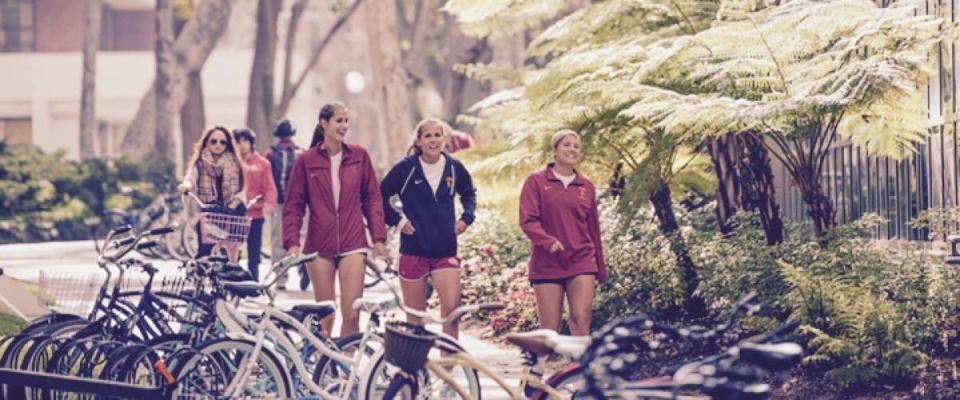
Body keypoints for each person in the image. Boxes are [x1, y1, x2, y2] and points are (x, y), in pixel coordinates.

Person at [283, 102, 392, 337]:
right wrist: (292, 242)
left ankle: (346, 372)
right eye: (339, 120)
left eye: (346, 121)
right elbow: (294, 204)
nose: (344, 126)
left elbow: (373, 200)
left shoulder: (359, 156)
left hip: (354, 242)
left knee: (352, 313)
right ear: (324, 123)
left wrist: (379, 238)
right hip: (319, 246)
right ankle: (324, 370)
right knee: (326, 317)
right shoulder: (306, 160)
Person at [380, 117, 477, 340]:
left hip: (445, 250)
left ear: (445, 139)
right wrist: (398, 221)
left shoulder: (454, 167)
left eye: (437, 135)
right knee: (415, 320)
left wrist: (466, 218)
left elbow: (469, 193)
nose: (433, 140)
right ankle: (416, 372)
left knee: (452, 314)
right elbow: (378, 196)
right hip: (413, 250)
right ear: (419, 141)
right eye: (428, 136)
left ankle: (448, 369)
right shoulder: (406, 168)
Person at [519, 129, 606, 336]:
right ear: (555, 151)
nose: (572, 149)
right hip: (547, 262)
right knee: (550, 329)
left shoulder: (587, 186)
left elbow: (593, 228)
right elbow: (527, 219)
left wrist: (600, 267)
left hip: (582, 259)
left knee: (581, 320)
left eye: (576, 146)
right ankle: (539, 367)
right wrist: (546, 241)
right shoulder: (537, 181)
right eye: (566, 145)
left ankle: (581, 367)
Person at [178, 126, 246, 262]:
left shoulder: (234, 164)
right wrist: (186, 185)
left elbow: (241, 188)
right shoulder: (200, 163)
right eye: (213, 141)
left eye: (222, 142)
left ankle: (231, 272)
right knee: (204, 252)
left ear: (228, 145)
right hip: (208, 212)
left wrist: (237, 202)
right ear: (206, 143)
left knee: (231, 251)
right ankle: (200, 278)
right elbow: (191, 176)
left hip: (229, 212)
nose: (218, 145)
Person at [264, 119, 308, 290]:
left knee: (278, 240)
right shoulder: (301, 153)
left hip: (279, 203)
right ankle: (303, 266)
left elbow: (267, 179)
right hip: (300, 204)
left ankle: (281, 279)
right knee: (300, 237)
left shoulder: (270, 154)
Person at [233, 128, 277, 282]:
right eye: (238, 142)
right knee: (233, 252)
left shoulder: (262, 163)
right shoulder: (231, 162)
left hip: (255, 214)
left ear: (251, 143)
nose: (242, 145)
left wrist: (269, 203)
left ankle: (253, 282)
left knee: (254, 254)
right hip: (234, 214)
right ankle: (233, 282)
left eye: (245, 141)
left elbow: (269, 187)